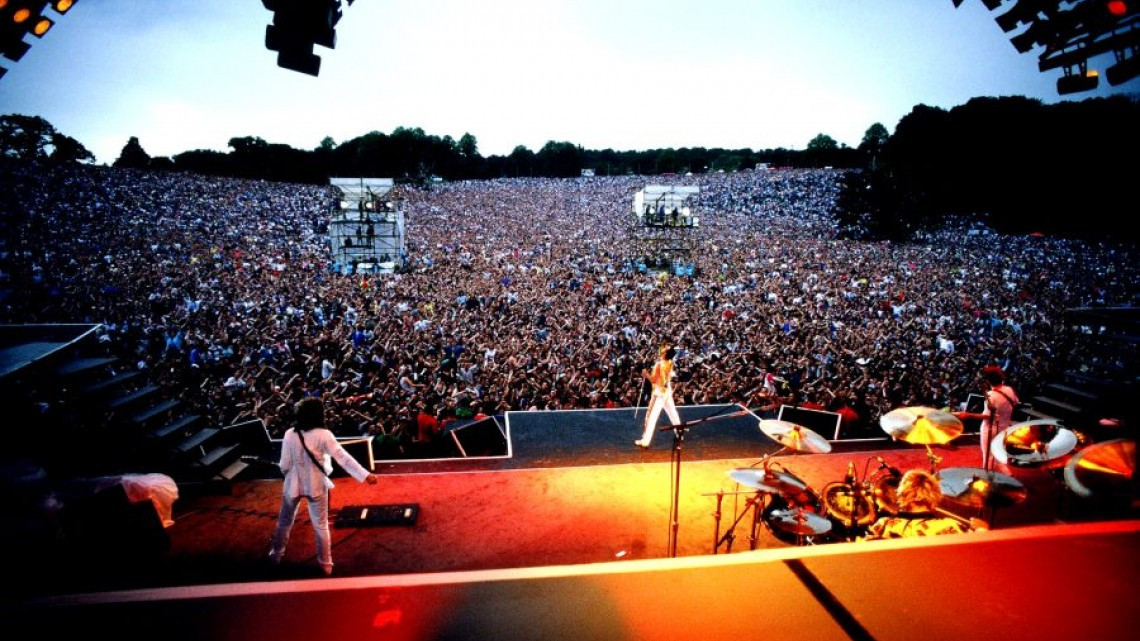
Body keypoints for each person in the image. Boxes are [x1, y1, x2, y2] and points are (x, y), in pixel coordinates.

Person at [269, 397, 378, 576]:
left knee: (284, 522)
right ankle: (326, 565)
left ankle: (276, 556)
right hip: (317, 484)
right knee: (320, 525)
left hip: (292, 485)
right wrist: (365, 475)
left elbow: (284, 465)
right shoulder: (324, 435)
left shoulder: (289, 434)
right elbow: (343, 457)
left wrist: (289, 472)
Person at [863, 469, 988, 539]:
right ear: (934, 495)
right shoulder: (950, 527)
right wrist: (982, 530)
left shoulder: (883, 525)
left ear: (903, 495)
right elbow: (978, 552)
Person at [954, 365, 1020, 469]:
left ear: (987, 381)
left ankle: (988, 475)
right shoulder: (1009, 390)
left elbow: (987, 416)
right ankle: (1002, 472)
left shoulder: (991, 395)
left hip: (990, 430)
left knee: (988, 457)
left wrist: (968, 415)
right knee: (999, 454)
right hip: (1005, 428)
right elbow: (1015, 402)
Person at [635, 344, 682, 448]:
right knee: (673, 413)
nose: (661, 351)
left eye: (664, 350)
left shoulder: (659, 364)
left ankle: (645, 440)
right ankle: (679, 434)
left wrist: (645, 374)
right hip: (667, 390)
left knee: (651, 416)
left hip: (659, 392)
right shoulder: (670, 362)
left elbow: (653, 380)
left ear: (665, 353)